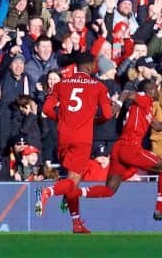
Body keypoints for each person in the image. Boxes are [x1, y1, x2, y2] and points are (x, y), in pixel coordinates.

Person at [66, 80, 162, 222]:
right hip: (130, 147)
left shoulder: (145, 107)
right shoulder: (144, 98)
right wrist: (118, 105)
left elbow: (157, 126)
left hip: (118, 148)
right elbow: (127, 93)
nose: (159, 91)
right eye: (156, 88)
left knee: (109, 190)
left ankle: (73, 193)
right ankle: (160, 210)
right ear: (150, 90)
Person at [35, 52, 113, 234]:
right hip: (82, 139)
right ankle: (47, 191)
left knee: (73, 180)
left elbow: (46, 109)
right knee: (72, 181)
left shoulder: (62, 84)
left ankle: (76, 223)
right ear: (90, 66)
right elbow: (108, 115)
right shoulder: (98, 86)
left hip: (63, 137)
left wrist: (62, 120)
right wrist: (94, 122)